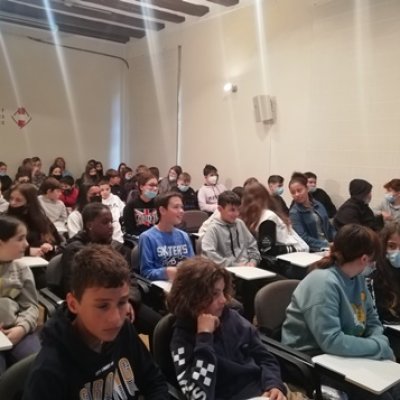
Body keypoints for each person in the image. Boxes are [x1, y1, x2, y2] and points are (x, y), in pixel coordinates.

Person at [23, 244, 169, 400]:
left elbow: (154, 381)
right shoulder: (49, 371)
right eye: (102, 306)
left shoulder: (124, 329)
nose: (116, 319)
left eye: (122, 302)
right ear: (73, 304)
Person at [282, 224, 399, 400]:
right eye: (373, 259)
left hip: (346, 352)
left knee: (395, 387)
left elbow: (373, 321)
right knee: (382, 397)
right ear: (364, 259)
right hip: (314, 359)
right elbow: (331, 341)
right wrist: (379, 346)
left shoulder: (357, 278)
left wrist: (378, 342)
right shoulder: (322, 283)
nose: (375, 264)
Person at [168, 257, 288, 400]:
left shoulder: (232, 318)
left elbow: (265, 357)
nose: (223, 300)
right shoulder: (181, 339)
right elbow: (198, 395)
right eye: (214, 294)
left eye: (223, 291)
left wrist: (273, 384)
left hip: (263, 391)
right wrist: (204, 337)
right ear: (193, 298)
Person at [0, 215, 41, 375]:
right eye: (20, 239)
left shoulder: (21, 270)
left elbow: (31, 307)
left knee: (36, 365)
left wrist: (22, 328)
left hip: (16, 328)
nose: (27, 244)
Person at [241, 182, 308, 256]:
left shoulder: (267, 217)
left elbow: (267, 250)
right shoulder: (250, 217)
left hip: (294, 252)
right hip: (282, 252)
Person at [139, 192, 194, 281]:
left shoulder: (184, 236)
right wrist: (166, 272)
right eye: (176, 207)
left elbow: (193, 265)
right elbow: (146, 272)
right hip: (162, 285)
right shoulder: (147, 237)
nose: (181, 211)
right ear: (162, 210)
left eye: (181, 207)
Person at [201, 190, 261, 267]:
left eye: (238, 209)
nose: (237, 214)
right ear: (220, 209)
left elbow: (252, 246)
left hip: (247, 268)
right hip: (227, 270)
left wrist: (253, 261)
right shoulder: (213, 228)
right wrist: (235, 265)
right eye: (232, 210)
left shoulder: (240, 223)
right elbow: (209, 255)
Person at [7, 183, 62, 259]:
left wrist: (50, 246)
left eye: (18, 200)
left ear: (29, 202)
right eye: (11, 198)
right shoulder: (5, 220)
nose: (12, 203)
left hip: (40, 261)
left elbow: (58, 243)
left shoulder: (42, 220)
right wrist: (28, 251)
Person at [289, 173, 335, 252]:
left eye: (299, 190)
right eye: (293, 192)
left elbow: (329, 227)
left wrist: (338, 239)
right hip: (314, 249)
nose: (296, 194)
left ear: (306, 188)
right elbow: (304, 238)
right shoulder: (294, 213)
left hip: (328, 245)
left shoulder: (318, 204)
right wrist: (328, 245)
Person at [122, 171, 159, 237]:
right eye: (151, 185)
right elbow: (129, 230)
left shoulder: (159, 204)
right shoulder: (130, 206)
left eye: (156, 185)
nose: (155, 188)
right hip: (137, 239)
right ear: (141, 187)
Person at [99, 178, 125, 243]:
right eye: (102, 190)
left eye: (107, 189)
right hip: (106, 226)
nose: (105, 192)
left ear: (110, 189)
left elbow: (123, 210)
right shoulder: (99, 201)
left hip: (118, 224)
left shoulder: (115, 198)